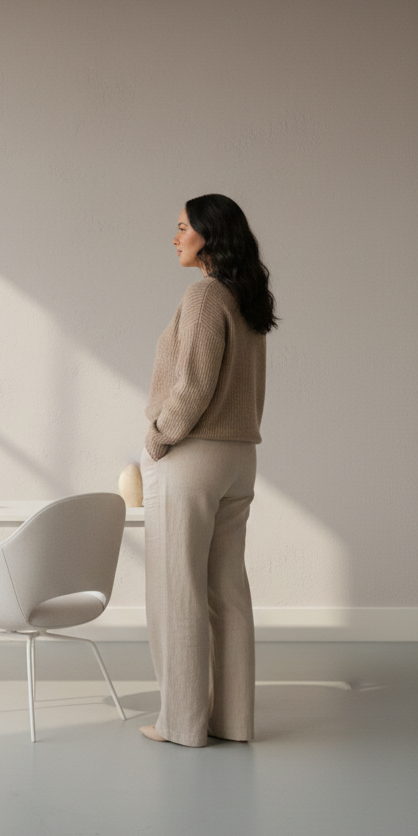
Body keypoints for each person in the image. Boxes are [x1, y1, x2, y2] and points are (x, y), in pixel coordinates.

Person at [139, 194, 277, 747]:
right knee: (227, 591)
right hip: (239, 456)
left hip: (193, 454)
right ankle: (234, 722)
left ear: (209, 236)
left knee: (178, 591)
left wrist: (156, 437)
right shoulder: (248, 301)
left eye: (182, 229)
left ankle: (183, 724)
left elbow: (193, 385)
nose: (174, 239)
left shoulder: (203, 296)